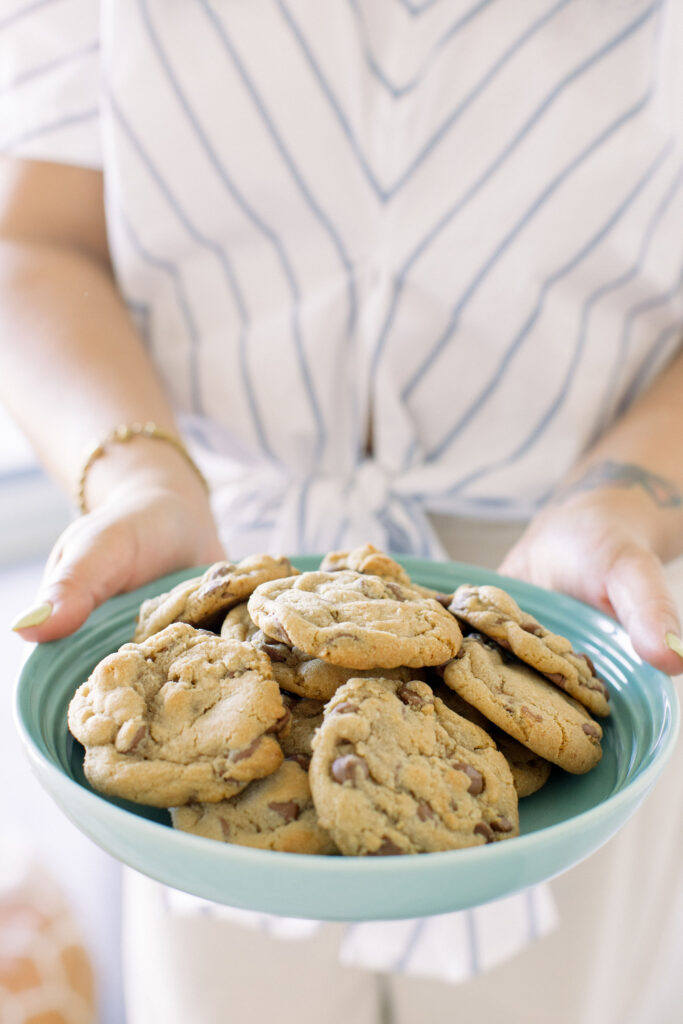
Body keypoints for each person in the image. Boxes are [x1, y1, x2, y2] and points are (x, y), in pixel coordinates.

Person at [1, 1, 682, 1021]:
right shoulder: (196, 699)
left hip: (559, 596)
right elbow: (36, 242)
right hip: (213, 570)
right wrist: (141, 477)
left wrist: (623, 494)